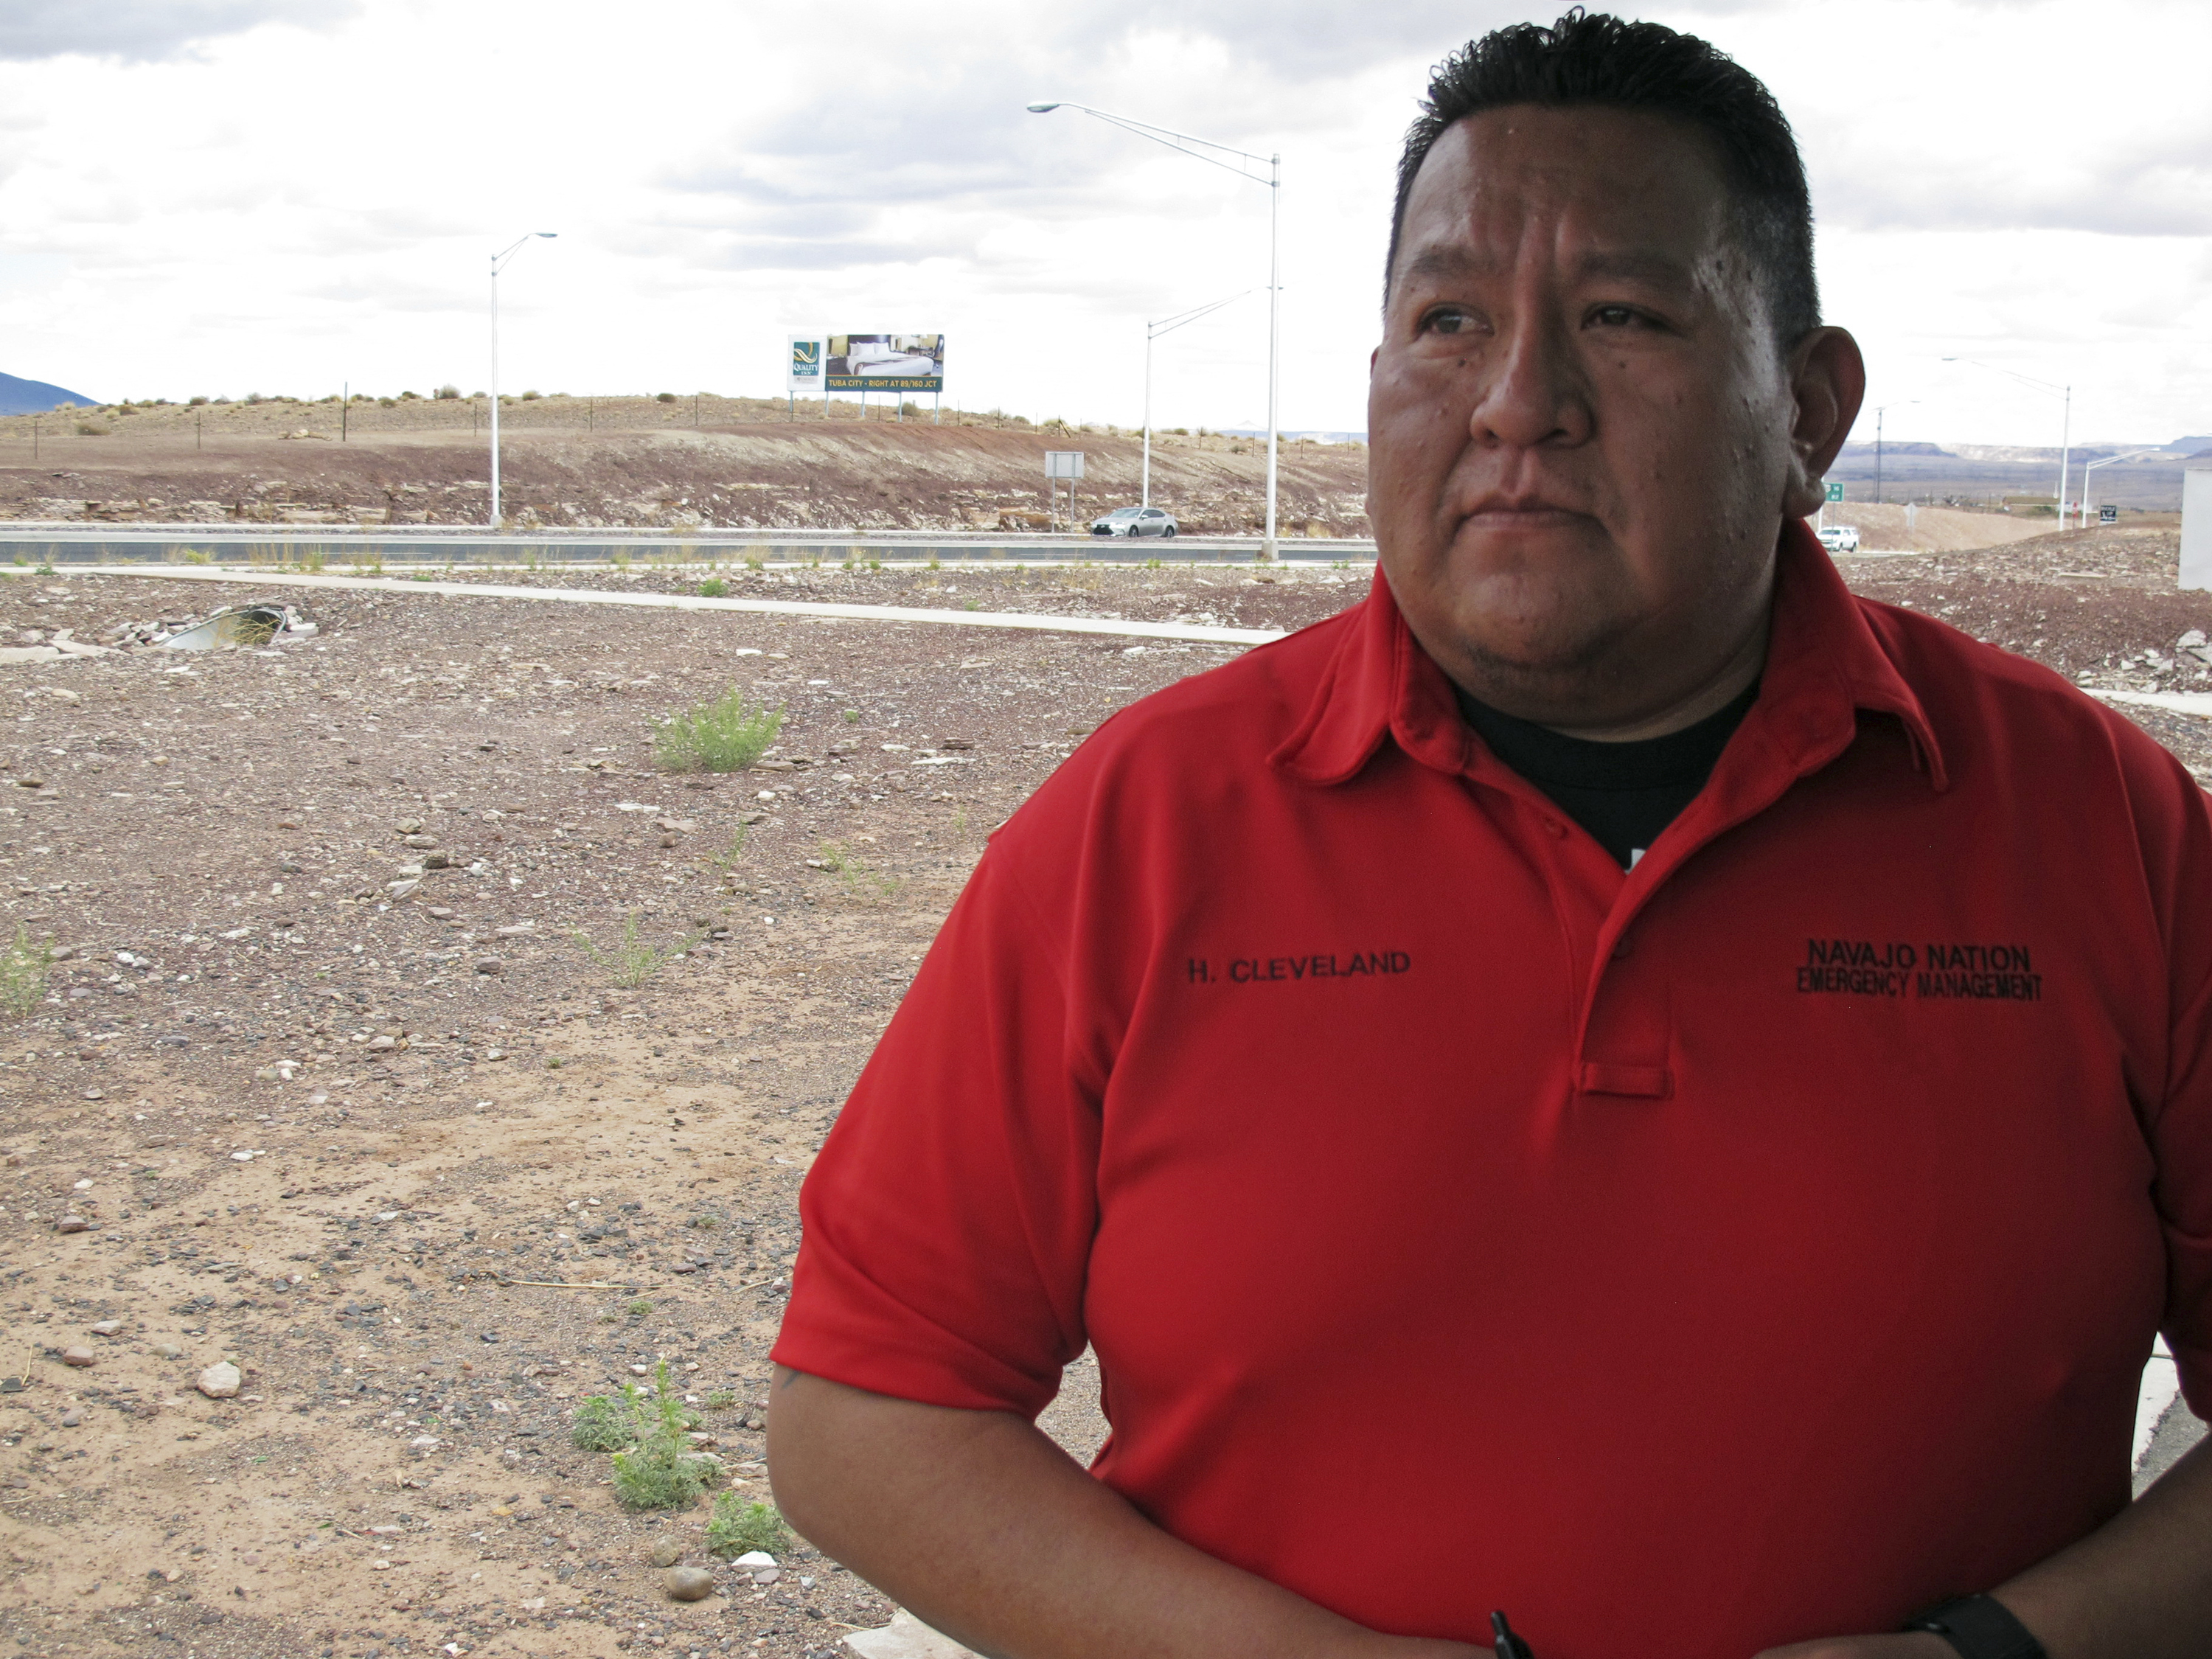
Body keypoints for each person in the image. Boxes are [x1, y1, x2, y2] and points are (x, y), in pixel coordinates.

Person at [767, 13, 2212, 1658]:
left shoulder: (2106, 828)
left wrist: (1998, 1658)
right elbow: (862, 1412)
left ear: (1810, 412)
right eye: (1448, 320)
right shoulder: (1143, 829)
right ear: (1383, 382)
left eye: (1621, 314)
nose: (1520, 402)